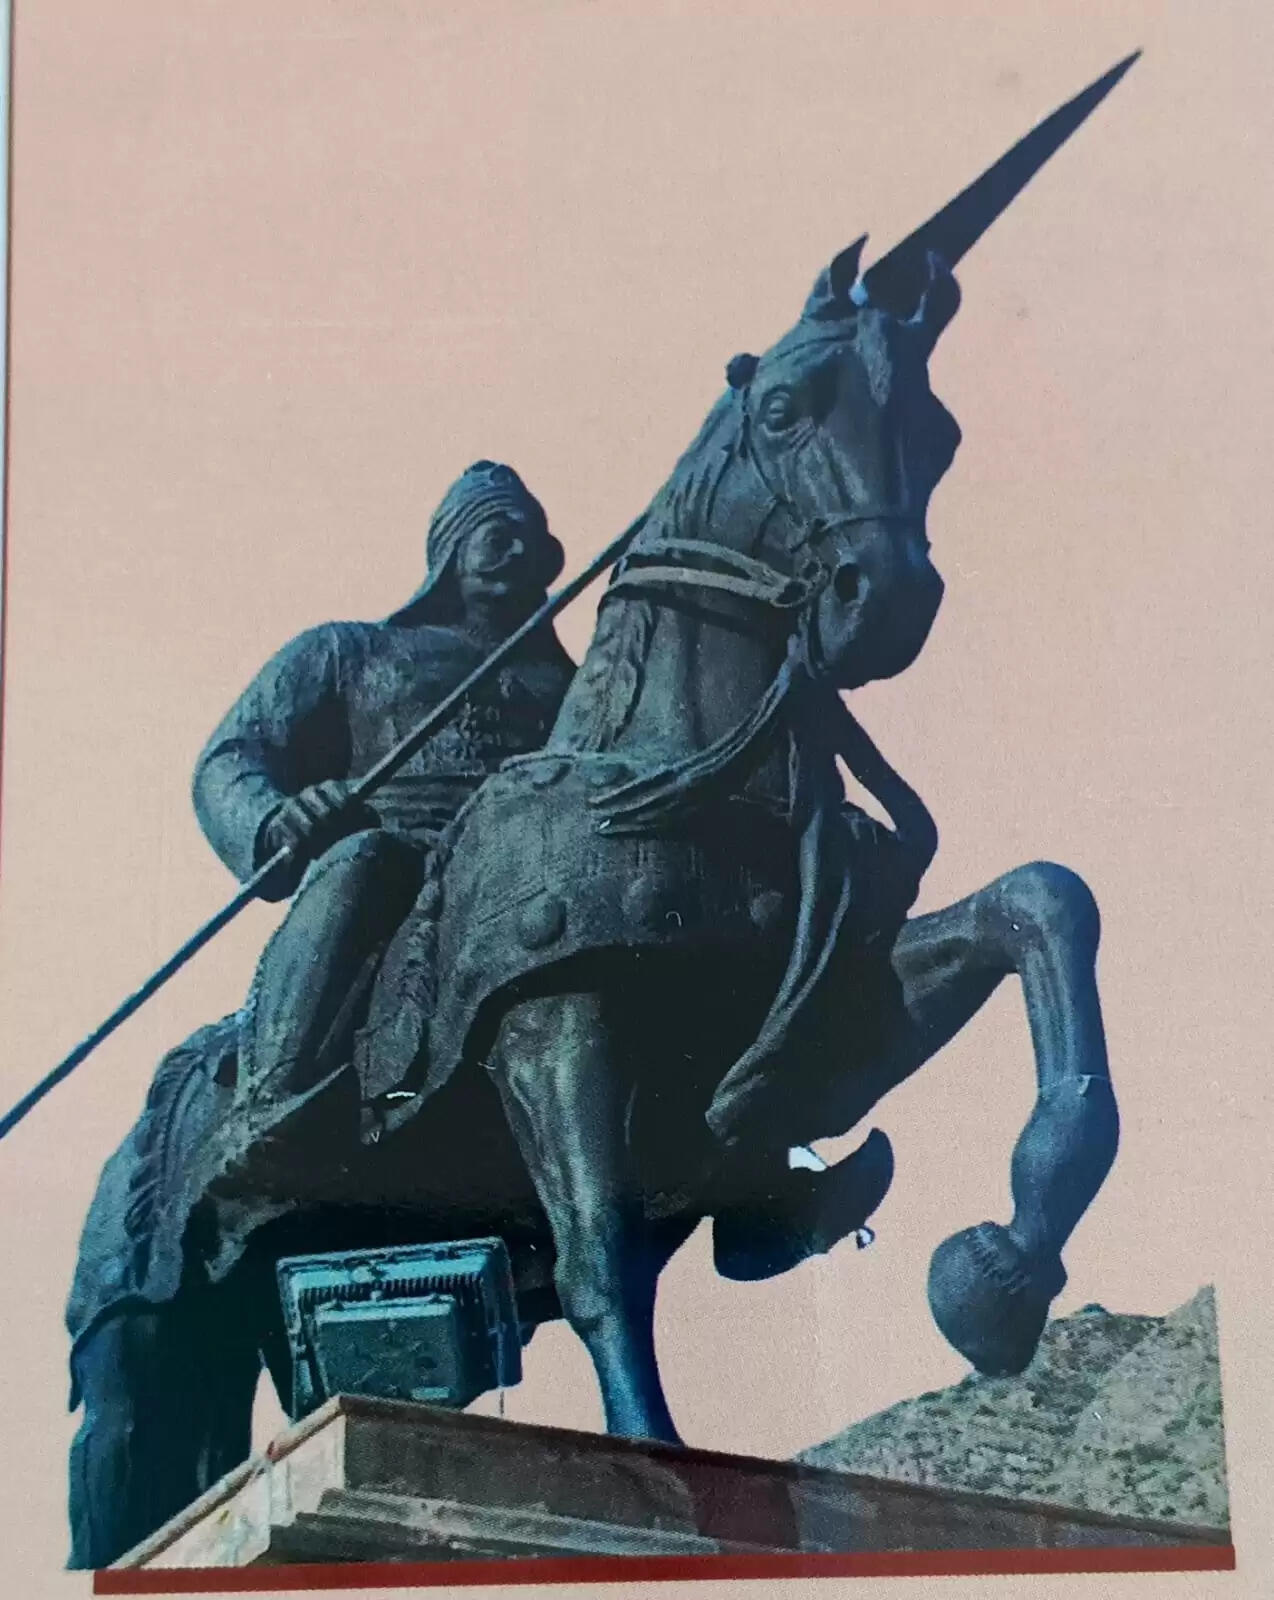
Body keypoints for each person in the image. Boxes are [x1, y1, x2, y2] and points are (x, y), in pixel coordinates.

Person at [65, 461, 576, 1569]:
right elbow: (230, 758)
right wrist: (278, 818)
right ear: (445, 553)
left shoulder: (571, 689)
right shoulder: (352, 652)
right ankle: (274, 1101)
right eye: (488, 527)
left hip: (515, 913)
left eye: (527, 530)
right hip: (382, 903)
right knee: (364, 859)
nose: (513, 543)